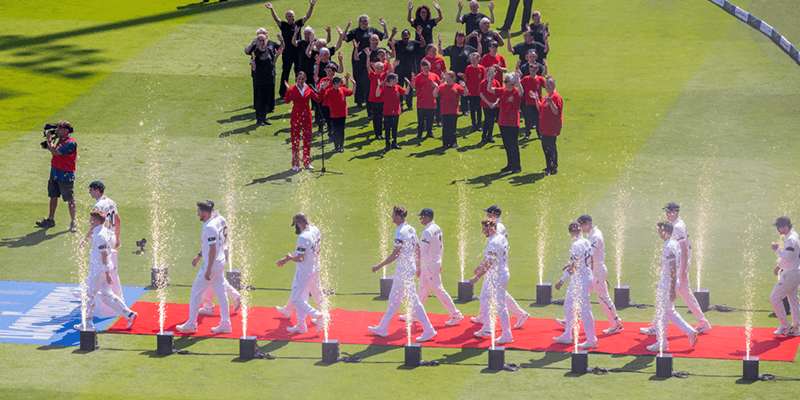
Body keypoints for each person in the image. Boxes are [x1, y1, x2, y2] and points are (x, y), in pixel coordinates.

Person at [369, 206, 438, 342]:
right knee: (393, 299)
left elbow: (395, 254)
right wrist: (417, 266)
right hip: (407, 268)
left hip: (404, 270)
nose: (392, 217)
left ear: (398, 217)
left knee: (414, 301)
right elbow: (417, 248)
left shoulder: (400, 232)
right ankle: (382, 328)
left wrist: (379, 265)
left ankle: (429, 330)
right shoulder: (411, 229)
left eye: (393, 215)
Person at [641, 203, 712, 334]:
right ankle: (703, 322)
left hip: (680, 267)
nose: (667, 214)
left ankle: (655, 328)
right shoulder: (679, 224)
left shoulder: (677, 227)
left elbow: (684, 249)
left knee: (664, 297)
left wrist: (683, 270)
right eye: (666, 212)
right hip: (681, 265)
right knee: (686, 296)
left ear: (676, 211)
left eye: (669, 212)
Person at [556, 215, 623, 335]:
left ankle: (616, 324)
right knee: (580, 295)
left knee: (603, 298)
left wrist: (573, 265)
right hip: (591, 270)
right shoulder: (591, 235)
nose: (581, 228)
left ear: (588, 223)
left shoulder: (595, 236)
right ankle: (569, 320)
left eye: (581, 225)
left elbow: (588, 254)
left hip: (597, 270)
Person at [74, 210, 137, 331]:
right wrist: (85, 240)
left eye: (91, 219)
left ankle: (87, 324)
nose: (89, 221)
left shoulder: (99, 236)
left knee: (88, 295)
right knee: (107, 294)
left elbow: (104, 255)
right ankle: (129, 314)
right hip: (104, 268)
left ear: (96, 221)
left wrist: (107, 274)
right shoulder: (105, 231)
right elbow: (94, 234)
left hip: (99, 270)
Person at [642, 221, 699, 352]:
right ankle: (690, 332)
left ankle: (662, 343)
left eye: (659, 231)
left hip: (669, 283)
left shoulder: (669, 246)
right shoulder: (673, 243)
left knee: (662, 313)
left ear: (665, 231)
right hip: (668, 282)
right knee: (670, 312)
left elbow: (673, 269)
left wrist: (671, 288)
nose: (658, 233)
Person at [471, 205, 529, 329]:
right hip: (496, 267)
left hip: (496, 268)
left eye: (488, 213)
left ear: (493, 215)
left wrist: (481, 267)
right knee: (489, 293)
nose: (486, 215)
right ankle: (482, 316)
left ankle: (520, 315)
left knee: (494, 295)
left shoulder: (497, 228)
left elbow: (493, 252)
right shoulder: (498, 227)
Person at [177, 201, 231, 334]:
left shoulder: (209, 228)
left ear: (205, 213)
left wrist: (208, 269)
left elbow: (212, 249)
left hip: (212, 264)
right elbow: (211, 246)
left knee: (196, 292)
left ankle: (191, 324)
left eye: (199, 212)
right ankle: (225, 323)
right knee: (221, 293)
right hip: (221, 261)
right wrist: (199, 256)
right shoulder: (218, 219)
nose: (198, 214)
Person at [276, 213, 325, 333]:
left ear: (298, 223)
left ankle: (319, 315)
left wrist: (289, 258)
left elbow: (300, 258)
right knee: (303, 296)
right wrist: (286, 259)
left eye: (295, 225)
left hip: (304, 270)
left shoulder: (302, 238)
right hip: (313, 266)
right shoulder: (314, 229)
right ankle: (301, 325)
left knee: (296, 298)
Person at [413, 208, 463, 325]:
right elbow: (441, 247)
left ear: (427, 218)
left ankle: (456, 315)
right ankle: (414, 314)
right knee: (421, 290)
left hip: (430, 266)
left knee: (439, 291)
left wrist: (417, 266)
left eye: (421, 217)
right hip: (433, 264)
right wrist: (440, 262)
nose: (420, 219)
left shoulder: (427, 232)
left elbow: (422, 251)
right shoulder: (437, 228)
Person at [552, 222, 598, 349]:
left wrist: (561, 281)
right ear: (580, 230)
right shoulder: (586, 242)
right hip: (582, 279)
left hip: (580, 281)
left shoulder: (575, 245)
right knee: (568, 305)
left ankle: (592, 340)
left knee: (585, 310)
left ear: (570, 232)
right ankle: (568, 334)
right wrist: (591, 275)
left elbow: (573, 266)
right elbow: (591, 260)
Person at [469, 219, 513, 344]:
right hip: (497, 274)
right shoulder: (499, 238)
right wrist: (480, 266)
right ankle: (488, 328)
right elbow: (488, 258)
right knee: (483, 298)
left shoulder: (494, 241)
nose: (483, 232)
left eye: (484, 229)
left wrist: (477, 277)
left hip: (498, 276)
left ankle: (507, 335)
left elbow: (490, 262)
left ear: (491, 227)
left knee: (500, 306)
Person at [78, 181, 124, 301]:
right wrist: (117, 238)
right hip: (112, 237)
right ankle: (118, 294)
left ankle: (87, 291)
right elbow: (118, 220)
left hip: (104, 238)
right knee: (110, 266)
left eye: (91, 190)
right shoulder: (111, 202)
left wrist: (85, 240)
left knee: (96, 262)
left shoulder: (98, 206)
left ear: (97, 190)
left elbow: (96, 226)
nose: (90, 192)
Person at [265, 1, 316, 98]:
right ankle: (283, 93)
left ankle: (299, 91)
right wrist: (272, 9)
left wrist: (311, 6)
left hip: (298, 53)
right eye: (289, 16)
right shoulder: (283, 25)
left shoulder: (298, 23)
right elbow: (276, 19)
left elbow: (307, 16)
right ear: (286, 18)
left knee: (298, 73)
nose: (291, 18)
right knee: (285, 73)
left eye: (292, 16)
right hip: (287, 53)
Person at [198, 209, 242, 316]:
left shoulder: (213, 222)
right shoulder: (221, 219)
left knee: (208, 279)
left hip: (217, 254)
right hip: (223, 252)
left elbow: (212, 243)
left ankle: (208, 307)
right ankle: (234, 296)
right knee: (217, 279)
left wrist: (200, 255)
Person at [37, 121, 77, 232]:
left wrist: (49, 140)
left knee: (70, 199)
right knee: (53, 196)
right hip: (54, 173)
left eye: (59, 129)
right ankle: (50, 219)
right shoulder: (61, 139)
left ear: (66, 131)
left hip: (65, 175)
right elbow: (54, 150)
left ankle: (73, 222)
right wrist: (48, 146)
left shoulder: (70, 143)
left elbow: (55, 153)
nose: (56, 131)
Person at [345, 15, 388, 108]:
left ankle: (369, 98)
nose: (366, 23)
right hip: (359, 58)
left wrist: (384, 26)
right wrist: (346, 28)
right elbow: (345, 38)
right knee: (359, 78)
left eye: (367, 21)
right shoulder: (355, 31)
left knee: (370, 78)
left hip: (370, 57)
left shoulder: (372, 30)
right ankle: (359, 101)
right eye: (364, 21)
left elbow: (385, 36)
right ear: (359, 22)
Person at [486, 70, 523, 173]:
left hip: (513, 123)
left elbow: (521, 92)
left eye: (509, 81)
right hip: (503, 122)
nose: (506, 83)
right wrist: (491, 79)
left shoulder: (516, 92)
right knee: (507, 145)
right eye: (506, 81)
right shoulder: (502, 91)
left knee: (513, 145)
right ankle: (510, 165)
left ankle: (517, 166)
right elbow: (489, 89)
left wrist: (518, 81)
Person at [769, 216, 800, 336]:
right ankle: (795, 328)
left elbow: (788, 256)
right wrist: (778, 266)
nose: (778, 229)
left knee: (774, 298)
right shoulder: (794, 236)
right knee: (793, 301)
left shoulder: (790, 239)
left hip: (790, 274)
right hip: (795, 272)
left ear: (786, 226)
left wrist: (776, 250)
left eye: (780, 227)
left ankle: (785, 326)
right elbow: (792, 257)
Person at [284, 71, 320, 171]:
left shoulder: (308, 88)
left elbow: (317, 99)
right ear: (296, 79)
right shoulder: (292, 88)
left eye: (302, 79)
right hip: (296, 117)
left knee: (307, 140)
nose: (300, 81)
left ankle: (307, 162)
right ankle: (295, 164)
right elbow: (287, 101)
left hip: (307, 117)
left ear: (305, 79)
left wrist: (321, 88)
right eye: (299, 79)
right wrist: (287, 90)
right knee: (295, 140)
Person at [246, 32, 283, 126]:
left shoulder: (269, 50)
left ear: (266, 41)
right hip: (259, 79)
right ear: (257, 42)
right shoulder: (255, 52)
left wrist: (278, 55)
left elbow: (272, 63)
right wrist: (253, 59)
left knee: (267, 99)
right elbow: (253, 68)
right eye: (260, 40)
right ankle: (259, 120)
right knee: (260, 100)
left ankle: (264, 118)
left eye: (263, 40)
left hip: (269, 77)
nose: (262, 42)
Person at [531, 76, 562, 175]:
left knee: (550, 148)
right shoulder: (547, 96)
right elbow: (540, 108)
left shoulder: (556, 97)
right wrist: (536, 99)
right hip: (545, 127)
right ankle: (549, 166)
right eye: (546, 86)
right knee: (546, 147)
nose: (547, 88)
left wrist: (551, 102)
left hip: (552, 128)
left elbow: (556, 112)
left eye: (549, 86)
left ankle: (552, 168)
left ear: (554, 86)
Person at [389, 29, 426, 110]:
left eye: (407, 35)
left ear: (409, 36)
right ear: (401, 36)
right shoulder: (398, 43)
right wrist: (392, 35)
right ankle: (400, 104)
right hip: (400, 68)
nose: (405, 37)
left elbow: (423, 45)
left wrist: (420, 35)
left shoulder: (413, 43)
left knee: (410, 86)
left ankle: (409, 105)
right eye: (404, 35)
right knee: (399, 86)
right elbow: (389, 43)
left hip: (410, 68)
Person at [320, 74, 355, 153]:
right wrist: (322, 88)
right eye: (341, 82)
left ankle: (341, 147)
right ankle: (336, 147)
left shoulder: (342, 89)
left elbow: (352, 93)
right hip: (334, 114)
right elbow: (321, 98)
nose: (342, 83)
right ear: (335, 83)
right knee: (335, 131)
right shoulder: (329, 91)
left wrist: (354, 84)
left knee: (341, 130)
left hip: (342, 114)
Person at [376, 73, 411, 151]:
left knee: (395, 128)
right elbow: (377, 94)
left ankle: (394, 143)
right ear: (391, 80)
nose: (397, 81)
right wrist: (378, 86)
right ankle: (387, 145)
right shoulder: (384, 89)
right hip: (387, 112)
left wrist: (408, 85)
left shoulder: (397, 87)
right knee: (387, 129)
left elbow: (406, 93)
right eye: (396, 79)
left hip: (396, 112)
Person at [411, 59, 441, 139]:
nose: (426, 69)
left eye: (428, 67)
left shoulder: (434, 75)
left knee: (430, 119)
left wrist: (443, 80)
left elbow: (440, 84)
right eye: (425, 68)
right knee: (421, 120)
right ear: (421, 68)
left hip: (431, 101)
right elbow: (414, 87)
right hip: (421, 102)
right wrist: (412, 79)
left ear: (430, 67)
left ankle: (429, 133)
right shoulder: (418, 77)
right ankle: (420, 133)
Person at [437, 71, 466, 149]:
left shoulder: (456, 86)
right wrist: (438, 85)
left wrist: (464, 87)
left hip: (454, 110)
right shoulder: (442, 86)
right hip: (444, 110)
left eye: (448, 78)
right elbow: (436, 94)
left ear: (453, 78)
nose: (446, 79)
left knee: (453, 127)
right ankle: (445, 143)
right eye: (446, 77)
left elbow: (465, 94)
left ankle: (453, 143)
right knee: (445, 127)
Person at [518, 60, 545, 140]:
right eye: (530, 71)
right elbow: (518, 85)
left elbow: (546, 87)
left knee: (538, 120)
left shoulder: (540, 79)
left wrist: (548, 79)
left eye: (533, 71)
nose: (532, 72)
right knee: (527, 120)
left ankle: (539, 133)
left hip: (537, 103)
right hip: (528, 103)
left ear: (537, 70)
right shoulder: (526, 79)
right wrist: (517, 78)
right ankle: (527, 133)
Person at [366, 58, 389, 140]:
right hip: (373, 99)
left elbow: (389, 70)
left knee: (381, 117)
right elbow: (368, 67)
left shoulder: (383, 75)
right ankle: (377, 134)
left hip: (382, 99)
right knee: (376, 117)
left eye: (379, 68)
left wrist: (388, 61)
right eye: (376, 68)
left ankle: (380, 134)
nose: (378, 70)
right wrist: (368, 57)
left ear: (382, 69)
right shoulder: (372, 75)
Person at [478, 66, 502, 143]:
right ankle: (484, 136)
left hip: (494, 105)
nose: (491, 75)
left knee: (491, 121)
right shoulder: (483, 83)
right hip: (486, 105)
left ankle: (489, 136)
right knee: (488, 121)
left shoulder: (496, 82)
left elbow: (499, 94)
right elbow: (481, 95)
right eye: (489, 74)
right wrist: (489, 103)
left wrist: (495, 103)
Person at [462, 52, 485, 132]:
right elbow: (467, 79)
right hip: (471, 92)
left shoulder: (481, 68)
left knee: (479, 109)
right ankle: (473, 124)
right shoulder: (468, 68)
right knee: (472, 109)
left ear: (478, 59)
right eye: (471, 60)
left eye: (474, 60)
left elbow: (483, 79)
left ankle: (479, 125)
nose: (472, 61)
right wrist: (463, 77)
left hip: (479, 92)